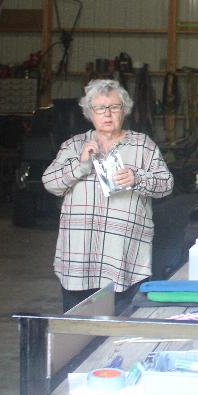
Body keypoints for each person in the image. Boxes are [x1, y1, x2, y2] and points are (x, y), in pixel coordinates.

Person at [42, 79, 174, 313]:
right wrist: (81, 165)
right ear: (89, 113)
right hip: (79, 263)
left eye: (114, 107)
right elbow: (50, 183)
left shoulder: (143, 146)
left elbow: (167, 184)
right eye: (100, 108)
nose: (108, 114)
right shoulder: (73, 146)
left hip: (125, 262)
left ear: (124, 110)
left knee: (121, 335)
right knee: (78, 336)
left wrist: (138, 178)